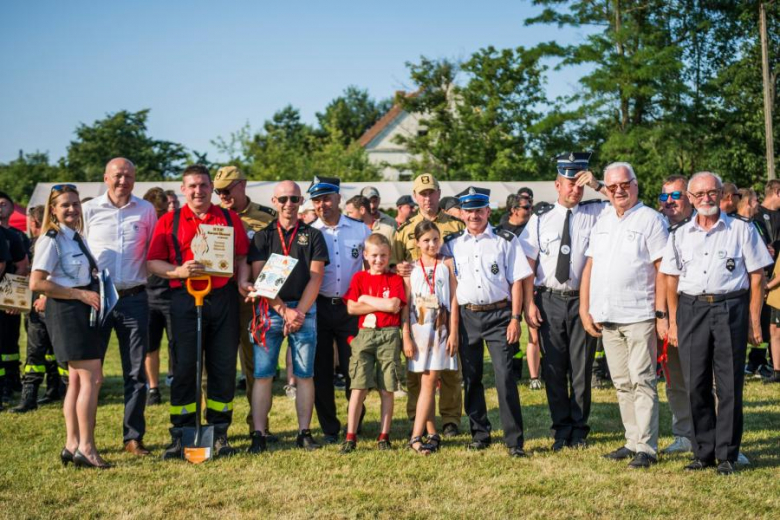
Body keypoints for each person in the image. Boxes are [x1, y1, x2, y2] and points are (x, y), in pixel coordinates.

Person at [662, 171, 772, 475]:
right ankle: (703, 452)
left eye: (712, 192)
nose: (706, 199)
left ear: (721, 193)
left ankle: (727, 455)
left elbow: (757, 276)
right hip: (691, 309)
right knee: (695, 383)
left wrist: (754, 321)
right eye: (699, 195)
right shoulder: (680, 234)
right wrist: (672, 322)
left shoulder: (741, 229)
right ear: (690, 199)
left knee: (729, 384)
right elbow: (671, 280)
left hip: (730, 308)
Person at [147, 164, 251, 459]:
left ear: (211, 188)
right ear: (183, 189)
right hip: (183, 298)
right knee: (184, 368)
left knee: (222, 367)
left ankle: (219, 431)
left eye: (203, 185)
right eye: (192, 186)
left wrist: (242, 280)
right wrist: (178, 270)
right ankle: (181, 432)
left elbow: (242, 255)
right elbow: (153, 262)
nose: (198, 191)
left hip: (222, 299)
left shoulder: (229, 218)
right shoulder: (169, 220)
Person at [580, 162, 669, 469]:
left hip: (640, 313)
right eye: (613, 186)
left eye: (624, 184)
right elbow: (590, 266)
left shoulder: (651, 220)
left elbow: (663, 271)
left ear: (636, 184)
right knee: (621, 382)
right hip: (608, 314)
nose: (619, 190)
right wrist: (586, 307)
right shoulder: (604, 219)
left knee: (642, 380)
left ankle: (647, 446)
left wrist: (661, 314)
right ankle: (632, 441)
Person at [520, 152, 608, 452]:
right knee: (554, 368)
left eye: (581, 183)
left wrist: (598, 185)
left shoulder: (598, 212)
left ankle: (579, 428)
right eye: (571, 182)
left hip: (582, 301)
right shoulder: (540, 218)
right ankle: (561, 429)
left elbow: (629, 202)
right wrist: (528, 304)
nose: (576, 189)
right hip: (549, 299)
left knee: (581, 368)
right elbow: (529, 264)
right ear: (557, 184)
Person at [443, 186, 533, 457]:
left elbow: (517, 281)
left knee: (505, 377)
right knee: (471, 378)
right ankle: (480, 434)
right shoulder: (452, 243)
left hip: (499, 316)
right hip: (467, 315)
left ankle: (514, 441)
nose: (474, 216)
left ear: (488, 211)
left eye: (479, 210)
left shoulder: (505, 240)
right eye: (469, 211)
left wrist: (516, 318)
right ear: (462, 214)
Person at [30, 184, 110, 468]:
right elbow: (37, 282)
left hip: (79, 311)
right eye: (65, 205)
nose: (72, 209)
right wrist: (80, 294)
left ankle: (72, 444)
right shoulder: (51, 240)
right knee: (92, 379)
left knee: (76, 381)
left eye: (75, 204)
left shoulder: (74, 237)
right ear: (53, 209)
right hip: (68, 311)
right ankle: (86, 449)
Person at [245, 181, 328, 454]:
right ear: (274, 201)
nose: (288, 204)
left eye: (294, 199)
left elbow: (316, 277)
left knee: (305, 374)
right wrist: (284, 310)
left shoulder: (313, 235)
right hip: (271, 311)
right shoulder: (262, 236)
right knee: (263, 374)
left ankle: (304, 432)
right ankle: (259, 433)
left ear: (301, 200)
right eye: (283, 199)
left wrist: (299, 312)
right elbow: (259, 278)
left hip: (304, 310)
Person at [82, 158, 157, 457]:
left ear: (135, 179)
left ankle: (133, 438)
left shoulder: (146, 210)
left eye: (128, 176)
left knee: (136, 372)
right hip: (98, 299)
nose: (122, 180)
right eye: (117, 175)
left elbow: (154, 252)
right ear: (105, 178)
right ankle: (87, 438)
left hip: (135, 298)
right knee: (91, 373)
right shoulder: (89, 211)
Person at [393, 173, 465, 438]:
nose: (427, 198)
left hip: (446, 308)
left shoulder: (456, 226)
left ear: (438, 193)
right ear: (415, 197)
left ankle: (450, 419)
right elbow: (394, 266)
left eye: (431, 192)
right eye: (422, 193)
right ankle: (419, 417)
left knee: (450, 369)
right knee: (416, 370)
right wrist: (397, 268)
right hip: (417, 314)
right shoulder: (403, 232)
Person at [213, 165, 278, 436]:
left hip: (254, 301)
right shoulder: (212, 216)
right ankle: (218, 426)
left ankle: (258, 425)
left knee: (257, 365)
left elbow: (278, 255)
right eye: (218, 191)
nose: (222, 195)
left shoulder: (266, 217)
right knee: (218, 364)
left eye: (227, 189)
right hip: (220, 297)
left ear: (243, 184)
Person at [309, 176, 371, 444]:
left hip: (351, 308)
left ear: (338, 198)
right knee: (321, 370)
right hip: (319, 306)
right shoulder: (309, 231)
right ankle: (329, 427)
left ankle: (355, 421)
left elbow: (370, 268)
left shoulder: (360, 230)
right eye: (316, 200)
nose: (322, 204)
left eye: (326, 198)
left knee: (354, 367)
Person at [340, 233, 406, 453]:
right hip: (365, 334)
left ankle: (384, 436)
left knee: (387, 387)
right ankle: (351, 436)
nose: (379, 260)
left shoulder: (395, 279)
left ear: (389, 256)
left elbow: (394, 305)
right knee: (358, 386)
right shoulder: (359, 278)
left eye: (384, 255)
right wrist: (380, 304)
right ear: (366, 255)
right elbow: (351, 308)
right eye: (375, 255)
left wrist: (365, 299)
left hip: (389, 335)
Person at [403, 221, 459, 454]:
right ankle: (431, 432)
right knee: (424, 382)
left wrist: (454, 332)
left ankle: (416, 437)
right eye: (426, 240)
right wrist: (405, 335)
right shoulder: (410, 270)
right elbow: (405, 307)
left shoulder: (446, 265)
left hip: (441, 330)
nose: (432, 244)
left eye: (435, 239)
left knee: (430, 379)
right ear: (417, 242)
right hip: (418, 331)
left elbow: (454, 300)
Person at [11, 205, 67, 413]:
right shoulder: (32, 243)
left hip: (51, 304)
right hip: (36, 308)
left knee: (58, 353)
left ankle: (63, 392)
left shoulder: (53, 242)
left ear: (33, 222)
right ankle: (31, 396)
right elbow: (24, 270)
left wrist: (45, 296)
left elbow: (55, 273)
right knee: (35, 354)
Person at [656, 175, 695, 456]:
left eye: (675, 196)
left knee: (711, 380)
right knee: (676, 380)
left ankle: (718, 435)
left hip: (700, 310)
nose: (669, 202)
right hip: (667, 315)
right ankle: (683, 434)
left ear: (690, 197)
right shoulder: (657, 228)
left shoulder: (703, 227)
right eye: (664, 197)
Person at [141, 188, 172, 406]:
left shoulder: (173, 228)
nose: (158, 214)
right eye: (155, 210)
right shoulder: (142, 231)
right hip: (148, 296)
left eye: (161, 210)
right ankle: (153, 388)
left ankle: (175, 378)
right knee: (150, 347)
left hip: (173, 295)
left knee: (176, 345)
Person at [0, 190, 30, 402]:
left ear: (12, 207)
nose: (1, 207)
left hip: (7, 296)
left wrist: (10, 296)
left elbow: (23, 267)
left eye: (4, 203)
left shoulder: (16, 236)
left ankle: (11, 379)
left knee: (9, 340)